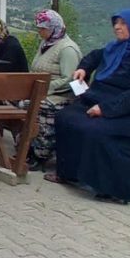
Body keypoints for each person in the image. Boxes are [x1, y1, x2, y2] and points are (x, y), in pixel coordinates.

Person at [47, 9, 130, 204]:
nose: (117, 27)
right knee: (66, 117)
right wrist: (83, 68)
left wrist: (106, 109)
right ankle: (70, 173)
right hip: (108, 102)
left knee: (96, 129)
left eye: (123, 23)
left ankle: (112, 188)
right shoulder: (116, 48)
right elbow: (94, 56)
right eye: (116, 23)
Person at [24, 9, 82, 170]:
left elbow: (69, 78)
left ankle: (41, 153)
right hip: (39, 90)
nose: (40, 32)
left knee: (39, 108)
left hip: (60, 95)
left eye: (43, 28)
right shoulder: (46, 44)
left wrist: (45, 88)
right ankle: (25, 147)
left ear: (54, 28)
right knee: (19, 104)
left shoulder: (67, 49)